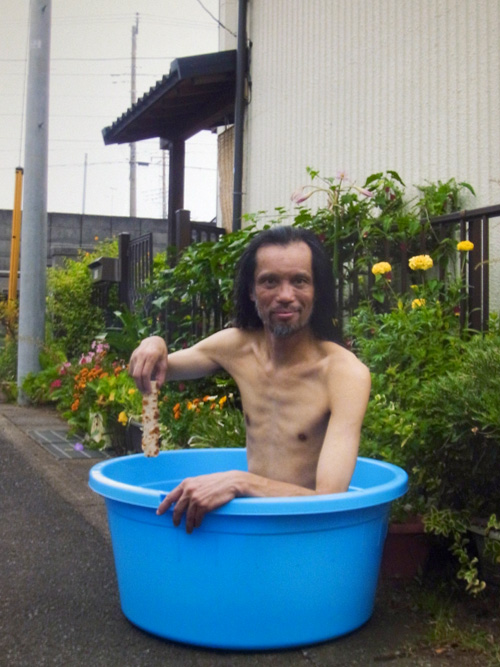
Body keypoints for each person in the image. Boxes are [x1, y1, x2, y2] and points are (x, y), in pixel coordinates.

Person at [129, 226, 371, 532]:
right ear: (251, 291)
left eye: (299, 281)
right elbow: (159, 367)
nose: (285, 296)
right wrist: (153, 343)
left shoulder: (344, 375)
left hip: (307, 534)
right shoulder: (237, 347)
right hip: (249, 529)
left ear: (317, 291)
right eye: (270, 281)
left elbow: (330, 500)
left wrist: (239, 482)